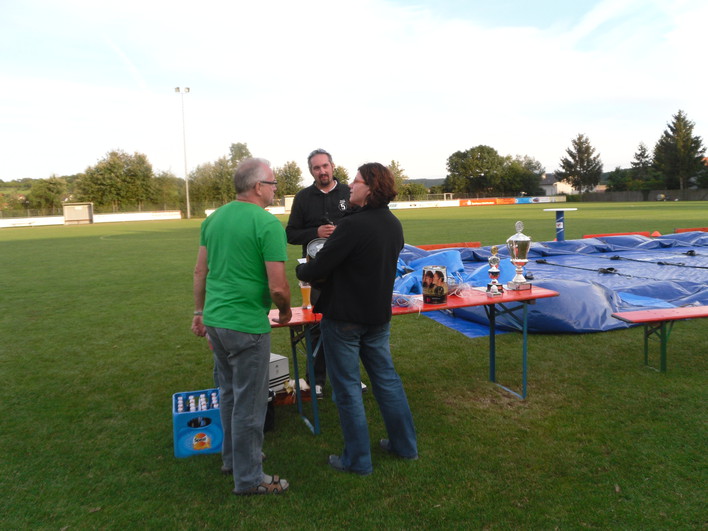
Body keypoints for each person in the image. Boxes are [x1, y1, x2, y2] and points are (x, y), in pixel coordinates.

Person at [296, 162, 418, 475]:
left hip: (345, 319)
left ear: (371, 188)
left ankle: (357, 460)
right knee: (387, 381)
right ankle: (405, 446)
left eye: (357, 181)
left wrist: (300, 269)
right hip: (377, 316)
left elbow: (319, 267)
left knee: (347, 389)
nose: (351, 185)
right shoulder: (393, 224)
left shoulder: (353, 225)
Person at [191, 157, 292, 495]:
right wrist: (285, 311)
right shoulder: (267, 224)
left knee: (230, 395)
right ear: (258, 187)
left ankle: (234, 459)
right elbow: (278, 287)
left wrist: (199, 312)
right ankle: (249, 479)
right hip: (247, 325)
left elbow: (200, 271)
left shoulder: (214, 219)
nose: (275, 189)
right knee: (250, 404)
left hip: (216, 322)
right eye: (273, 183)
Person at [286, 148, 359, 398]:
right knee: (316, 324)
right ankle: (316, 380)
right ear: (311, 171)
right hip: (316, 272)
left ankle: (351, 377)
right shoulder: (303, 197)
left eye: (325, 166)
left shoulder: (349, 192)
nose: (322, 171)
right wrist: (315, 233)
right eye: (316, 168)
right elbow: (290, 233)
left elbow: (362, 225)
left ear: (332, 166)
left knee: (350, 325)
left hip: (347, 269)